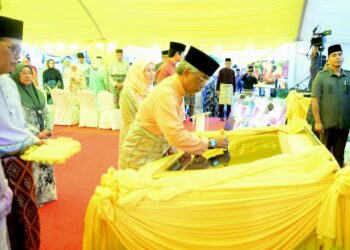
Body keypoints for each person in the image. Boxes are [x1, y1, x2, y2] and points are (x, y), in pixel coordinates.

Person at [119, 46, 228, 170]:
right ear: (187, 73)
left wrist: (177, 147)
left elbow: (171, 128)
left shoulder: (177, 90)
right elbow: (176, 134)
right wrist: (211, 143)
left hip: (157, 154)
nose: (203, 85)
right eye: (203, 78)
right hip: (139, 158)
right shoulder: (166, 92)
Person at [0, 16, 41, 250]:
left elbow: (16, 125)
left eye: (20, 49)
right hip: (5, 169)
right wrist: (27, 142)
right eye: (12, 48)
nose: (18, 55)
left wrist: (33, 139)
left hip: (22, 168)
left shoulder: (8, 83)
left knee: (26, 224)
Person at [11, 63, 57, 207]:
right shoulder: (14, 96)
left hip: (44, 133)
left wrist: (48, 128)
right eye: (23, 73)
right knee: (33, 166)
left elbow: (47, 112)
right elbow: (19, 120)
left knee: (46, 163)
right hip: (29, 136)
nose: (27, 76)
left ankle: (48, 194)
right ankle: (35, 197)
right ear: (16, 75)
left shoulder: (39, 93)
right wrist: (36, 133)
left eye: (29, 73)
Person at [311, 44, 350, 168]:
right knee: (325, 154)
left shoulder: (348, 77)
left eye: (340, 54)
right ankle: (324, 179)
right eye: (334, 55)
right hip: (326, 125)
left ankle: (337, 179)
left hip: (344, 124)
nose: (338, 57)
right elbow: (315, 101)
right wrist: (317, 122)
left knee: (339, 154)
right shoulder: (321, 77)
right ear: (328, 58)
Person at [119, 59, 155, 148]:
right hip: (135, 140)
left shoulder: (151, 89)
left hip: (153, 138)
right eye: (148, 70)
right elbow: (129, 122)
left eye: (153, 70)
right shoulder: (129, 92)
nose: (152, 73)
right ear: (139, 72)